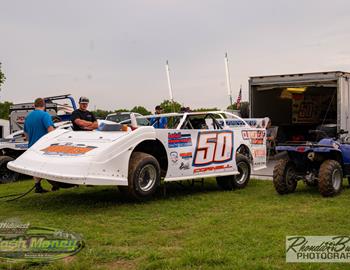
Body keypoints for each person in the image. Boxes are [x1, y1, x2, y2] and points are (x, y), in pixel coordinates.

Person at [24, 98, 55, 193]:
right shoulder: (45, 115)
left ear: (34, 105)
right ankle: (55, 185)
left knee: (36, 167)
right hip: (43, 146)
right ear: (44, 105)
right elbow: (50, 130)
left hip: (32, 146)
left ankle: (37, 186)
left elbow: (26, 135)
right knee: (50, 166)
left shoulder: (28, 117)